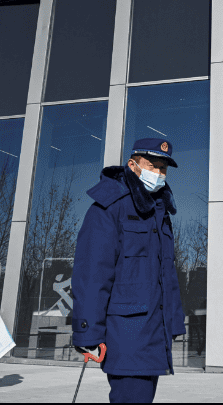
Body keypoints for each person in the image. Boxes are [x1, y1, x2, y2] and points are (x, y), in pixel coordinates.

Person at [71, 138, 186, 403]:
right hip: (126, 335)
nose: (158, 173)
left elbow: (166, 275)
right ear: (132, 165)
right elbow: (92, 273)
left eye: (163, 169)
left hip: (154, 334)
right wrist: (88, 332)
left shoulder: (159, 210)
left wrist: (174, 323)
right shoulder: (110, 207)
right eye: (152, 165)